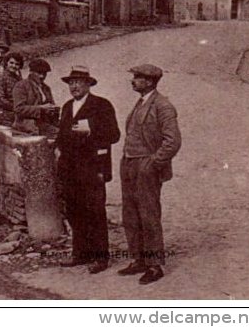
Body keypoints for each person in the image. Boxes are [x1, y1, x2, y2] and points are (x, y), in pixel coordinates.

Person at [118, 64, 181, 285]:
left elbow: (172, 141)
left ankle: (154, 266)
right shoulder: (140, 102)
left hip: (146, 166)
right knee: (131, 214)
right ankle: (139, 260)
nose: (133, 80)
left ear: (150, 82)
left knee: (149, 214)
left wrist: (153, 163)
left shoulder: (163, 106)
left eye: (138, 78)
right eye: (134, 76)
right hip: (129, 164)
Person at [55, 66, 120, 273]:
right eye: (70, 83)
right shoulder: (66, 107)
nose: (73, 86)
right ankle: (80, 253)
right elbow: (62, 135)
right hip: (70, 170)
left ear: (88, 84)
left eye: (78, 82)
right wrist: (57, 149)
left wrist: (90, 129)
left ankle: (100, 258)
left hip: (93, 169)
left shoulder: (101, 105)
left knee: (95, 212)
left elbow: (114, 135)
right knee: (74, 211)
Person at [12, 58, 58, 137]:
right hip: (25, 125)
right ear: (31, 72)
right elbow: (18, 109)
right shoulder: (21, 86)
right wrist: (41, 108)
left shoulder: (46, 88)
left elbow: (51, 106)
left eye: (44, 73)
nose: (42, 76)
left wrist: (53, 110)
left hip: (44, 124)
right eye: (39, 73)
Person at [0, 52, 25, 127]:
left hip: (17, 110)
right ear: (6, 63)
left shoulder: (19, 79)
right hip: (3, 111)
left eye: (17, 64)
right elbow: (0, 99)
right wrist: (17, 108)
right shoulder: (0, 77)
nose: (14, 66)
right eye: (11, 63)